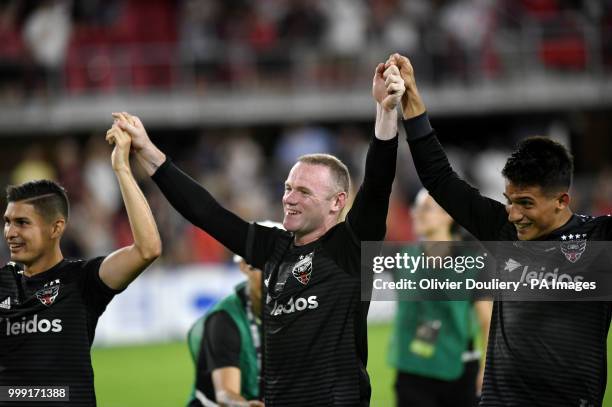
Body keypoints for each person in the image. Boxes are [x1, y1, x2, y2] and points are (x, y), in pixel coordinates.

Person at [113, 56, 405, 406]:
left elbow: (377, 183)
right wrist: (148, 151)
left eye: (304, 192)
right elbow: (206, 212)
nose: (289, 199)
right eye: (287, 187)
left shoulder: (350, 248)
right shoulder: (273, 248)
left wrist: (386, 111)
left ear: (337, 202)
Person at [389, 52, 612, 406]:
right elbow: (439, 179)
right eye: (508, 200)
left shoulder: (600, 241)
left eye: (525, 203)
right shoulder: (504, 233)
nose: (513, 214)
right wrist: (411, 98)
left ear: (562, 200)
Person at [0, 125, 161, 406]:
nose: (10, 232)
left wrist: (122, 169)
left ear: (56, 228)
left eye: (22, 223)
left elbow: (147, 249)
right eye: (7, 222)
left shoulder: (82, 280)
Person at [388, 189, 491, 407]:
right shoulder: (402, 256)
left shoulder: (473, 263)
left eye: (425, 209)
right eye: (415, 208)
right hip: (411, 368)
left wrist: (487, 368)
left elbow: (486, 320)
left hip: (457, 371)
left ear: (449, 215)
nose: (417, 214)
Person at [186, 221, 283, 407]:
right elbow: (226, 394)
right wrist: (244, 405)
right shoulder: (224, 319)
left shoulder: (297, 311)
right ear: (244, 267)